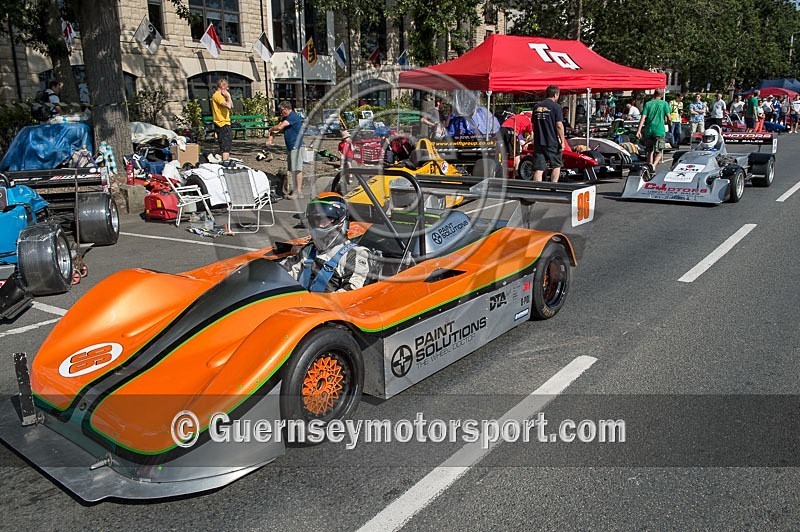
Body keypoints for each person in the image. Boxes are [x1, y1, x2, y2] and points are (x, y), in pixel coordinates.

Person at [280, 192, 372, 292]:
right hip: (301, 300)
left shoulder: (356, 255)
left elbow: (353, 293)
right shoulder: (309, 250)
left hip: (329, 301)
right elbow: (281, 273)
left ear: (339, 221)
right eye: (316, 219)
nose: (320, 225)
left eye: (326, 219)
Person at [267, 100, 305, 199]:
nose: (280, 113)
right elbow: (277, 129)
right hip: (291, 147)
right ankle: (296, 190)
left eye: (281, 111)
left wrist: (270, 129)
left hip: (296, 146)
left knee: (297, 169)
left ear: (287, 109)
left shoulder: (293, 116)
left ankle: (298, 192)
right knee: (292, 169)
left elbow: (279, 127)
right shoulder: (286, 118)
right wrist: (270, 139)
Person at [531, 85, 565, 183]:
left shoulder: (536, 107)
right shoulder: (556, 107)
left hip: (539, 142)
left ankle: (536, 189)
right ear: (556, 94)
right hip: (552, 141)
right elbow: (559, 125)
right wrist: (562, 141)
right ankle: (553, 187)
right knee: (556, 165)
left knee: (539, 168)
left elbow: (533, 124)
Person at [636, 89, 671, 167]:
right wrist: (669, 123)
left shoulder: (648, 104)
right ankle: (654, 166)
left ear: (654, 94)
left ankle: (650, 165)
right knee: (659, 151)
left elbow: (643, 118)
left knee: (649, 150)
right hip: (659, 130)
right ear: (661, 95)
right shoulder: (664, 104)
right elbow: (669, 117)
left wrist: (639, 130)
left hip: (649, 130)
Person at [499, 111, 533, 176]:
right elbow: (532, 136)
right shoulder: (528, 121)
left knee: (502, 152)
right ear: (529, 118)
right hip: (512, 131)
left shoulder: (516, 116)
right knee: (517, 155)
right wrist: (527, 143)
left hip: (502, 130)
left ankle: (499, 171)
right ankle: (517, 173)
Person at [210, 78, 234, 166]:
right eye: (227, 87)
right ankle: (225, 164)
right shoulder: (217, 95)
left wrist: (228, 97)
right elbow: (228, 106)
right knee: (226, 146)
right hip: (222, 123)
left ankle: (223, 160)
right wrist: (228, 96)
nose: (228, 89)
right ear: (222, 86)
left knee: (227, 144)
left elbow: (231, 105)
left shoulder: (222, 96)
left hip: (225, 123)